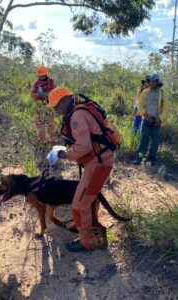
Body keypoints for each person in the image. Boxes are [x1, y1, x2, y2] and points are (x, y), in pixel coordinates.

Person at [47, 86, 117, 252]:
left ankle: (87, 241)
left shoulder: (77, 114)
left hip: (98, 163)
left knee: (79, 205)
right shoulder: (81, 109)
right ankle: (91, 228)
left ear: (65, 100)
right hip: (101, 160)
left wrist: (64, 154)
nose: (56, 110)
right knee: (89, 198)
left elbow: (84, 146)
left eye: (57, 106)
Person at [133, 73, 168, 165]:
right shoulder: (145, 92)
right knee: (144, 138)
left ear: (157, 82)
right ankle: (139, 157)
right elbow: (140, 105)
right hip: (146, 119)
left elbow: (166, 108)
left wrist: (160, 119)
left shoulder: (162, 93)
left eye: (154, 81)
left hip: (157, 121)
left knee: (155, 141)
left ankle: (152, 159)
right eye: (151, 81)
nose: (152, 83)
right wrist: (146, 116)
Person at [30, 65, 56, 143]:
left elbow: (56, 92)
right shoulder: (36, 83)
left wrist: (48, 94)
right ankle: (42, 140)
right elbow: (31, 94)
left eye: (42, 75)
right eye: (39, 75)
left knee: (51, 123)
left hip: (50, 105)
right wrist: (39, 95)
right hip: (39, 106)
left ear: (45, 74)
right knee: (39, 123)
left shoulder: (51, 82)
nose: (40, 76)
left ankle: (51, 139)